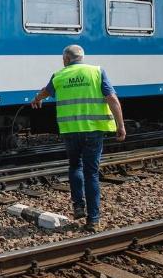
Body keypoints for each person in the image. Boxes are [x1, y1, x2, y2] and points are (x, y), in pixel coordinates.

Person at [30, 45, 126, 232]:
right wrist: (120, 125)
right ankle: (93, 219)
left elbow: (46, 92)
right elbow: (112, 99)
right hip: (93, 130)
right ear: (82, 57)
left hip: (70, 131)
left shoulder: (59, 75)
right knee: (91, 173)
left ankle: (78, 206)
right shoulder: (96, 72)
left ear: (65, 59)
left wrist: (36, 99)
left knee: (75, 166)